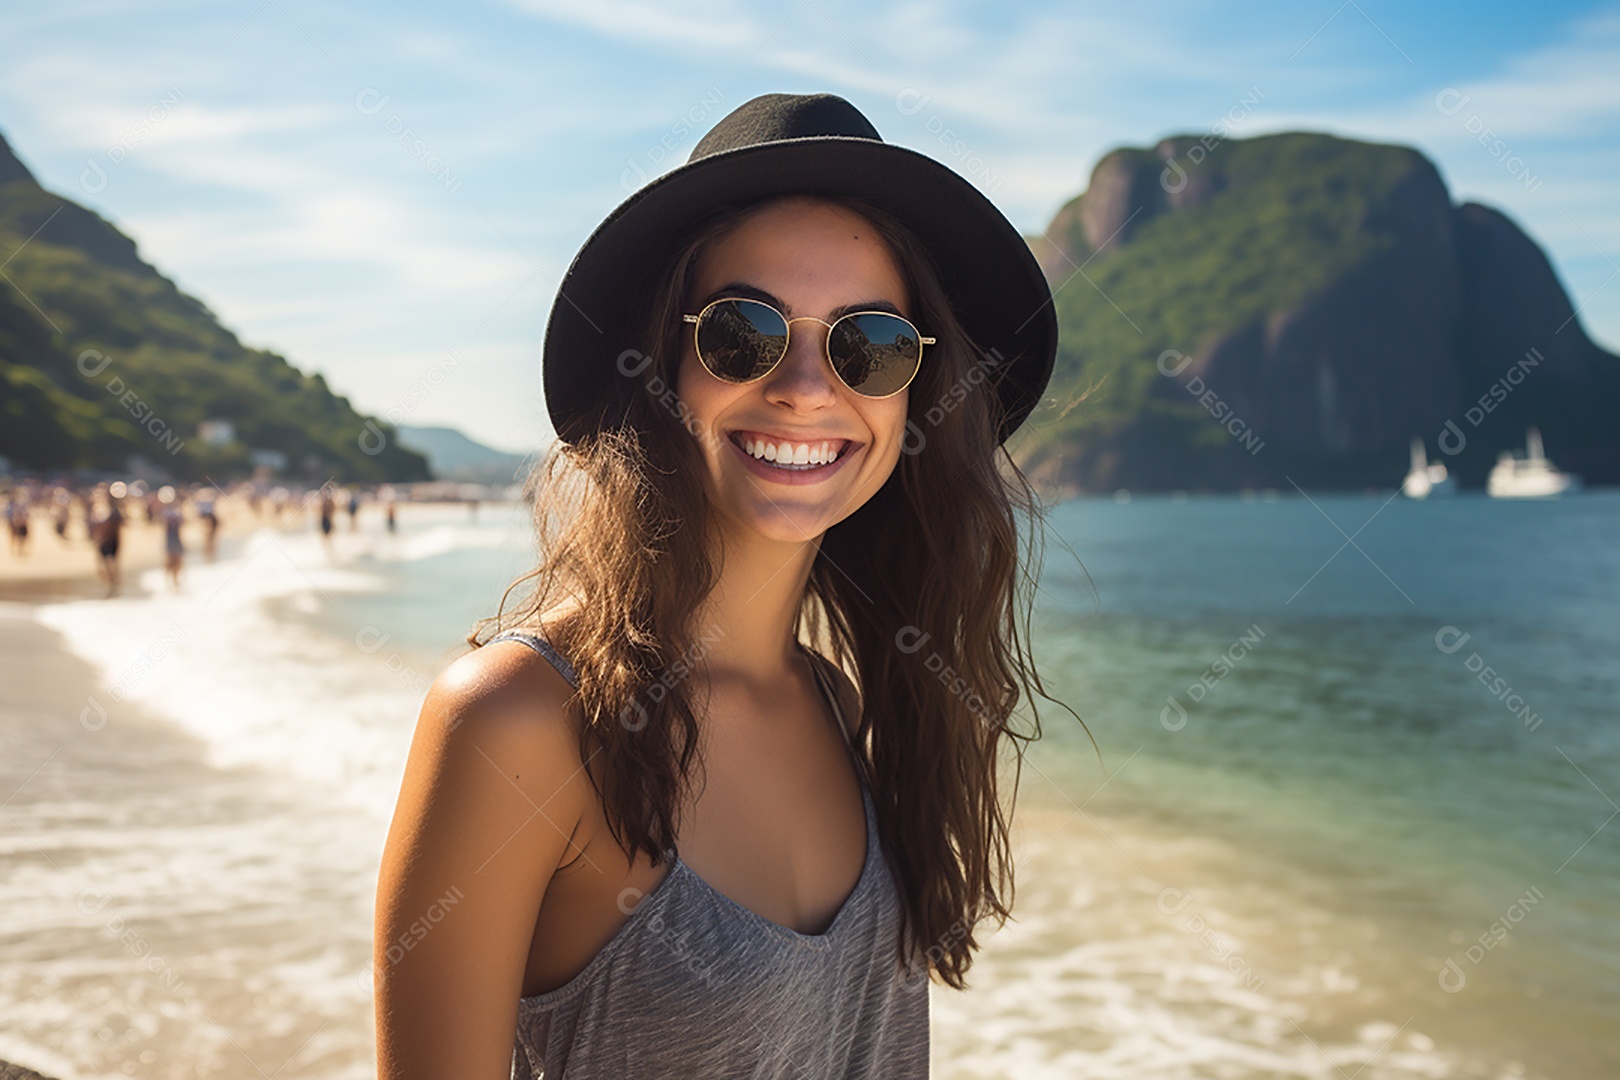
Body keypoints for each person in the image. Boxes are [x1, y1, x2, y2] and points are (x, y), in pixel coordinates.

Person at [373, 92, 1081, 1080]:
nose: (802, 386)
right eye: (742, 334)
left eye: (867, 345)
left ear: (916, 392)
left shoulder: (838, 706)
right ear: (661, 366)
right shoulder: (515, 725)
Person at [95, 486, 125, 597]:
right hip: (108, 540)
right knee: (107, 565)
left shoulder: (114, 511)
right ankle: (112, 585)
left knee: (109, 564)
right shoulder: (104, 509)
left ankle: (113, 586)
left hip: (111, 540)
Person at [159, 487, 185, 590]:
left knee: (177, 560)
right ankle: (170, 581)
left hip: (175, 538)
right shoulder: (165, 512)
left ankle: (175, 580)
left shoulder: (176, 511)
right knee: (170, 561)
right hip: (171, 538)